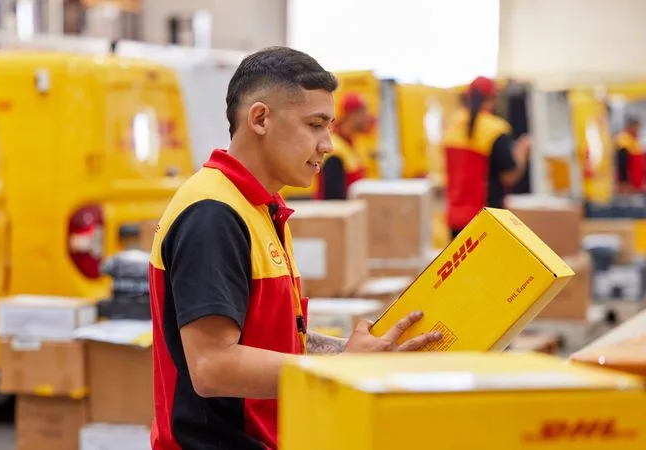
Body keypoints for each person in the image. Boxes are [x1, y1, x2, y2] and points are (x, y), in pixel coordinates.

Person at [147, 46, 442, 450]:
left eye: (329, 127)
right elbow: (212, 365)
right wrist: (340, 367)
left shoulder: (257, 207)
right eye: (315, 125)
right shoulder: (213, 214)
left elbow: (274, 343)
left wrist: (363, 353)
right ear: (260, 118)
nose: (328, 145)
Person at [443, 76, 531, 238]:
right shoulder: (495, 130)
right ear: (494, 98)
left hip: (455, 218)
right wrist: (521, 152)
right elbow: (509, 176)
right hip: (484, 218)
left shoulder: (452, 124)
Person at [314, 93, 373, 199]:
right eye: (363, 111)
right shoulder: (334, 149)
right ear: (352, 115)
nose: (368, 117)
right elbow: (333, 200)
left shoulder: (350, 145)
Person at [615, 116, 645, 193]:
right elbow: (622, 163)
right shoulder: (623, 140)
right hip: (628, 185)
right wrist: (624, 182)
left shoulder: (635, 139)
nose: (637, 129)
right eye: (636, 126)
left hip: (637, 184)